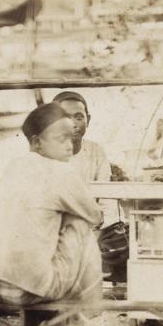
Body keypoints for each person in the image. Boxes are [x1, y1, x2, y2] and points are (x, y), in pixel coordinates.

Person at [0, 103, 103, 326]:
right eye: (61, 139)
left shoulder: (15, 165)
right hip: (28, 292)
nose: (69, 146)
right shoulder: (63, 171)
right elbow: (95, 216)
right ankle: (77, 315)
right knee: (80, 220)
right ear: (36, 143)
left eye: (71, 138)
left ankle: (66, 312)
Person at [52, 91, 120, 225]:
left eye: (78, 117)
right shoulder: (45, 154)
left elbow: (108, 202)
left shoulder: (96, 152)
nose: (72, 124)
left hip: (92, 229)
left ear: (88, 120)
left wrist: (100, 231)